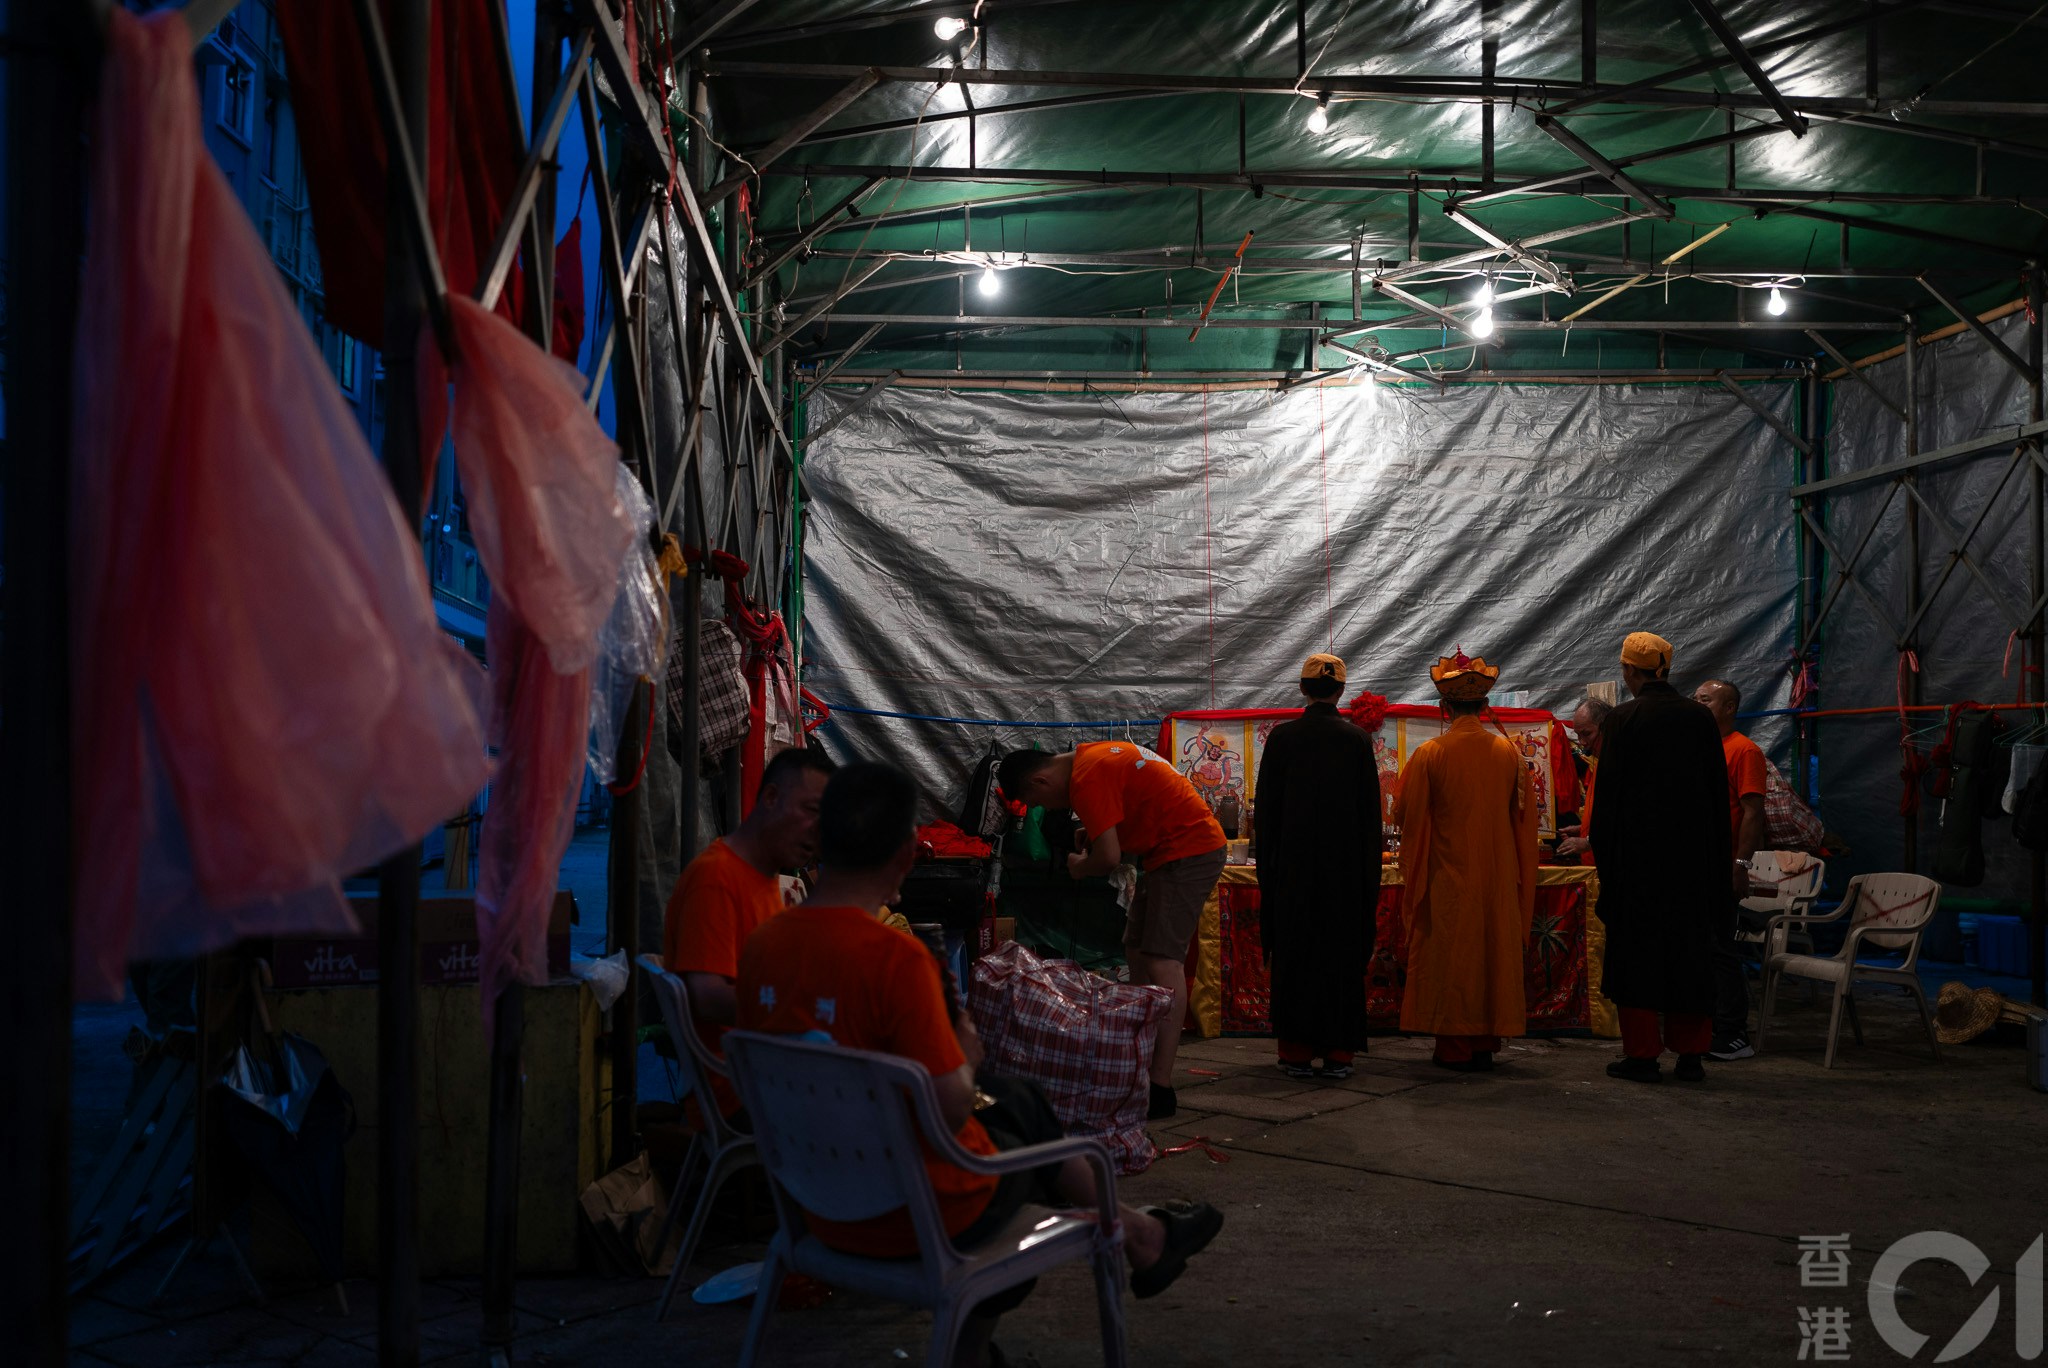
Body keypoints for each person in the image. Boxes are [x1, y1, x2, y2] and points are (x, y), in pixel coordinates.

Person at [737, 763, 1225, 1368]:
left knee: (1014, 1099)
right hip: (924, 1215)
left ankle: (1141, 1236)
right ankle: (1128, 1243)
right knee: (1021, 1124)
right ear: (905, 858)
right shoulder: (896, 960)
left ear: (822, 844)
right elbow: (948, 1103)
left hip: (813, 1210)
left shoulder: (763, 945)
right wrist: (964, 1053)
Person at [1000, 743, 1225, 1119]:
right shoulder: (1093, 757)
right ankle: (1137, 1066)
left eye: (1037, 800)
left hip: (1188, 849)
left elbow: (1108, 859)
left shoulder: (1086, 777)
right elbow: (1131, 808)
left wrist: (1078, 866)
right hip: (1167, 851)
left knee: (1161, 959)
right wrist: (1097, 833)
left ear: (1040, 779)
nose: (1048, 809)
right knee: (1135, 948)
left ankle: (1160, 1087)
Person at [661, 746, 834, 1121]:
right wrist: (797, 1009)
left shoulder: (764, 878)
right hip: (740, 1091)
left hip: (768, 1071)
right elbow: (706, 996)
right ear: (771, 797)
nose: (818, 832)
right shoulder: (718, 878)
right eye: (811, 811)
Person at [1590, 633, 1731, 1084]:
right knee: (1690, 958)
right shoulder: (1700, 720)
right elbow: (1715, 799)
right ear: (1666, 669)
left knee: (1637, 961)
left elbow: (1607, 803)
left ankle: (1643, 1056)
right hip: (1692, 867)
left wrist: (1608, 869)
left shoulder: (1623, 719)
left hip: (1638, 869)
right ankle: (1691, 1057)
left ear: (1630, 671)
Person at [1393, 650, 1540, 1072]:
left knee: (1454, 958)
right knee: (1491, 951)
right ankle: (1485, 1043)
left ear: (1444, 707)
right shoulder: (1508, 754)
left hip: (1446, 873)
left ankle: (1454, 1047)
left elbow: (1405, 813)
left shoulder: (1430, 754)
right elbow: (1524, 819)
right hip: (1497, 873)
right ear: (1486, 706)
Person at [1254, 652, 1381, 1078]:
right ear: (1341, 691)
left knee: (1296, 954)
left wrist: (1268, 870)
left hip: (1292, 870)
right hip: (1344, 874)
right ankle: (1339, 1055)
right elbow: (1370, 820)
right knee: (1339, 957)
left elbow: (1266, 813)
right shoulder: (1358, 741)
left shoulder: (1282, 738)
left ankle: (1295, 1052)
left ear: (1303, 688)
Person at [1695, 678, 1769, 1061]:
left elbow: (1753, 813)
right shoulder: (1701, 749)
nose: (1697, 704)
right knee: (1700, 947)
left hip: (1724, 867)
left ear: (1728, 708)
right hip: (1699, 865)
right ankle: (1708, 1024)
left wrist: (1741, 865)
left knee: (1720, 947)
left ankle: (1734, 1033)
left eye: (1705, 700)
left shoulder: (1744, 750)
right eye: (1695, 698)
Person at [1555, 695, 1612, 863]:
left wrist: (1588, 842)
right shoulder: (1599, 764)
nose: (1582, 742)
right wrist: (1583, 829)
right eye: (1578, 735)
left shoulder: (1620, 765)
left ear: (1606, 727)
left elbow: (1627, 823)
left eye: (1587, 734)